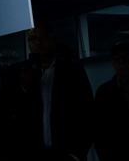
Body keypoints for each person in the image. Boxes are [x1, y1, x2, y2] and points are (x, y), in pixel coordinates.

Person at [25, 20, 94, 161]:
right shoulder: (27, 73)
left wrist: (77, 153)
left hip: (67, 152)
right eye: (32, 39)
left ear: (52, 39)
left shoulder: (71, 70)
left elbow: (87, 112)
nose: (37, 43)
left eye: (42, 38)